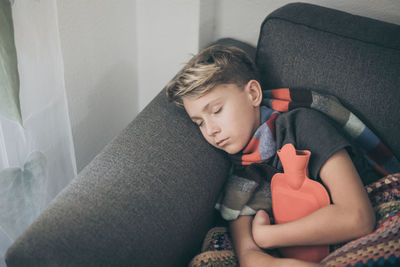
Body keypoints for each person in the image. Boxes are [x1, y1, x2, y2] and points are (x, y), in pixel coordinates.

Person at [166, 45, 375, 267]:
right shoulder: (240, 174)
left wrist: (270, 236)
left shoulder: (303, 126)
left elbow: (358, 218)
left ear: (253, 94)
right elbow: (249, 257)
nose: (210, 130)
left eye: (216, 111)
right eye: (199, 122)